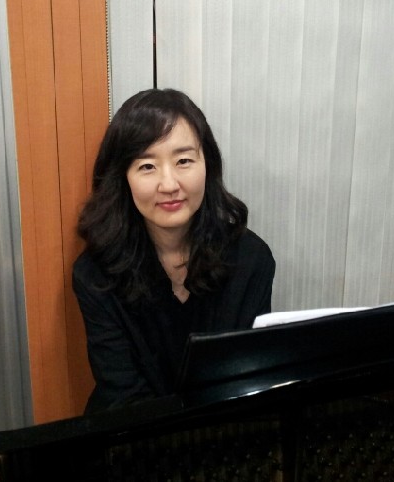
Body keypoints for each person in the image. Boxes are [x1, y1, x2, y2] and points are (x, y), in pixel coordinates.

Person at [73, 88, 275, 414]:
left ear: (207, 165)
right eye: (147, 166)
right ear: (123, 178)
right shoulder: (96, 273)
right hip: (132, 431)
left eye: (183, 161)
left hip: (224, 428)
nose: (169, 185)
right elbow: (122, 394)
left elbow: (249, 375)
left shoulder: (251, 259)